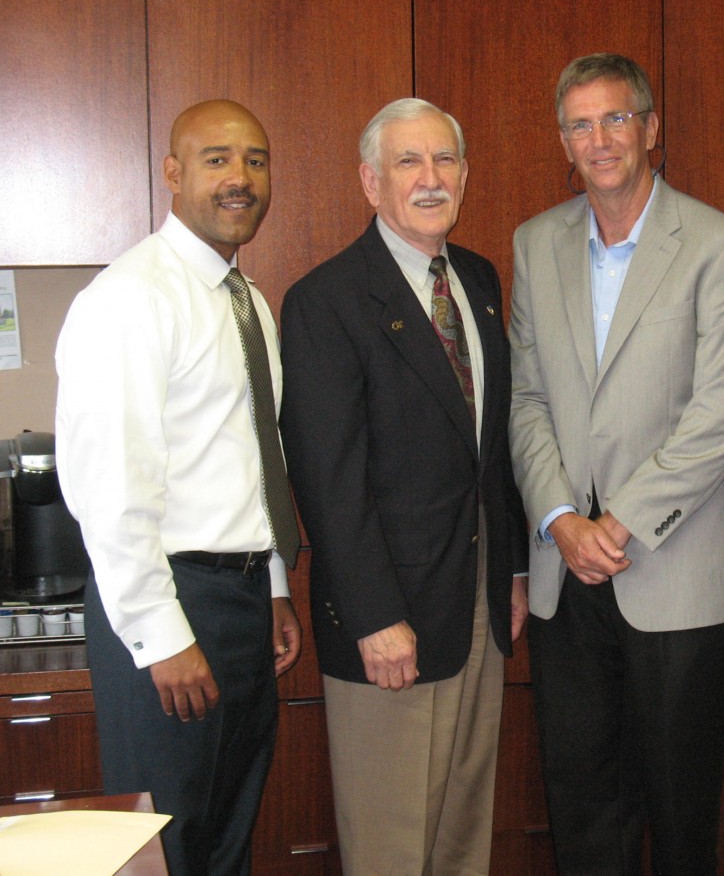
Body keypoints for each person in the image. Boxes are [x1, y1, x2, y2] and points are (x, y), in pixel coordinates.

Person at [508, 53, 724, 875]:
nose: (600, 139)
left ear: (651, 128)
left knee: (683, 812)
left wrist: (614, 524)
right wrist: (560, 519)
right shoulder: (535, 241)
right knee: (582, 805)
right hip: (565, 579)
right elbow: (526, 398)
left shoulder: (721, 245)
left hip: (675, 571)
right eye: (580, 125)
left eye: (615, 118)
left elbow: (723, 412)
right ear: (563, 141)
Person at [279, 98, 529, 876]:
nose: (431, 179)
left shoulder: (480, 279)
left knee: (462, 831)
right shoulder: (326, 301)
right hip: (391, 621)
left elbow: (495, 450)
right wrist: (374, 616)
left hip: (480, 605)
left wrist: (514, 570)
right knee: (391, 844)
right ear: (369, 181)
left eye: (445, 160)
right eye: (408, 162)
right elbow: (329, 478)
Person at [55, 99, 302, 876]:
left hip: (238, 607)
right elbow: (108, 486)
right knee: (163, 848)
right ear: (173, 173)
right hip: (169, 604)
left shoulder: (248, 304)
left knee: (229, 834)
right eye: (217, 158)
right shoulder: (131, 298)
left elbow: (250, 458)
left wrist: (270, 587)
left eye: (255, 160)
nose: (240, 178)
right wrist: (164, 638)